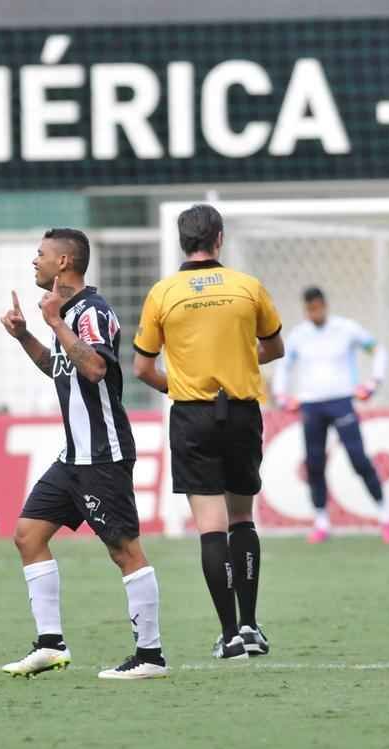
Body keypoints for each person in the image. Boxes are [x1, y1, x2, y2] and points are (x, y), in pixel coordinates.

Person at [0, 228, 167, 680]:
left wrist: (55, 322)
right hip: (72, 456)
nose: (34, 261)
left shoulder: (89, 312)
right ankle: (51, 644)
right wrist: (25, 336)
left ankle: (150, 655)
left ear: (65, 262)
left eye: (41, 255)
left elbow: (94, 368)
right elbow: (60, 368)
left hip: (102, 454)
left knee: (124, 550)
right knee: (28, 535)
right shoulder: (66, 311)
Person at [133, 204, 284, 660]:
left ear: (184, 241)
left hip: (193, 415)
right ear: (219, 238)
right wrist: (237, 359)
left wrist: (179, 382)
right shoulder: (246, 287)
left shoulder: (164, 293)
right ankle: (251, 625)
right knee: (242, 519)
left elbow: (142, 367)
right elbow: (274, 347)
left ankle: (229, 636)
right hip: (240, 412)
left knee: (210, 528)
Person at [272, 287, 389, 546]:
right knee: (314, 463)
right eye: (310, 309)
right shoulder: (298, 336)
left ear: (325, 305)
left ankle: (386, 516)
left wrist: (373, 382)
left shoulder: (346, 329)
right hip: (311, 406)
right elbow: (284, 366)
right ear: (305, 309)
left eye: (318, 307)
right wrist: (281, 394)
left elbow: (378, 350)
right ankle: (321, 521)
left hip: (341, 402)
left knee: (358, 459)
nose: (314, 313)